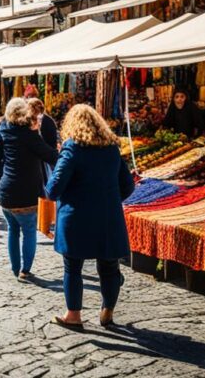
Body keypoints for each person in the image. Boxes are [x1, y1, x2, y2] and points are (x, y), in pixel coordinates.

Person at [46, 104, 135, 330]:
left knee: (73, 268)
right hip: (108, 218)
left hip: (76, 219)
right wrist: (109, 199)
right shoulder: (111, 149)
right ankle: (107, 312)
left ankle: (73, 315)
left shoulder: (72, 148)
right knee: (109, 267)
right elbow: (128, 186)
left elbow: (54, 188)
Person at [0, 97, 58, 281]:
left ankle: (15, 268)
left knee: (12, 229)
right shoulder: (29, 134)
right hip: (27, 193)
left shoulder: (3, 130)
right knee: (28, 231)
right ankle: (25, 270)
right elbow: (50, 155)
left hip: (6, 193)